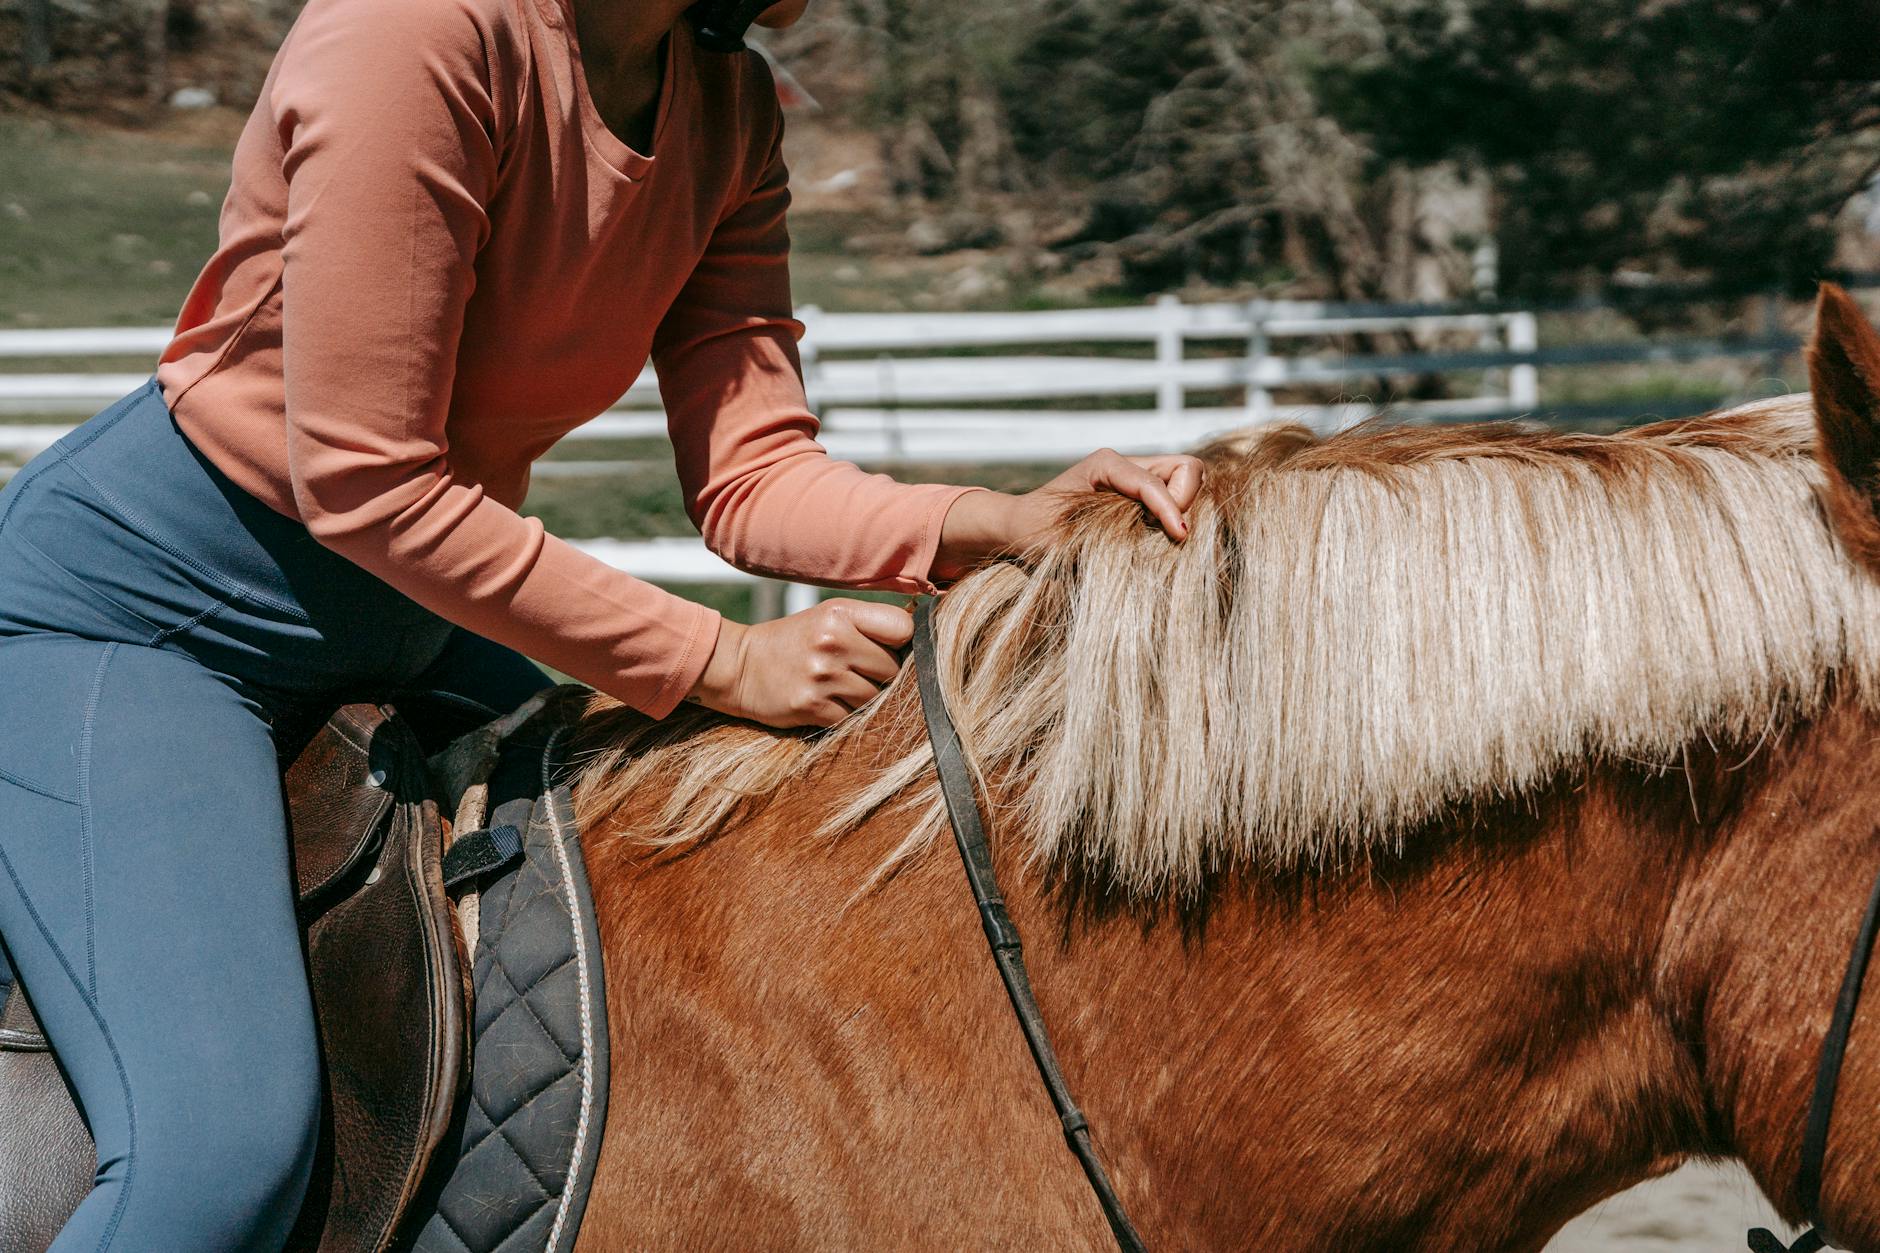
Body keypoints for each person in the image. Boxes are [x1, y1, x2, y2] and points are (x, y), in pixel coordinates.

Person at [0, 0, 1203, 1245]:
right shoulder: (412, 33)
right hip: (140, 619)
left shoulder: (726, 107)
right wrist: (723, 657)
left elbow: (750, 476)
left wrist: (988, 522)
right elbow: (364, 479)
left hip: (411, 618)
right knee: (219, 1159)